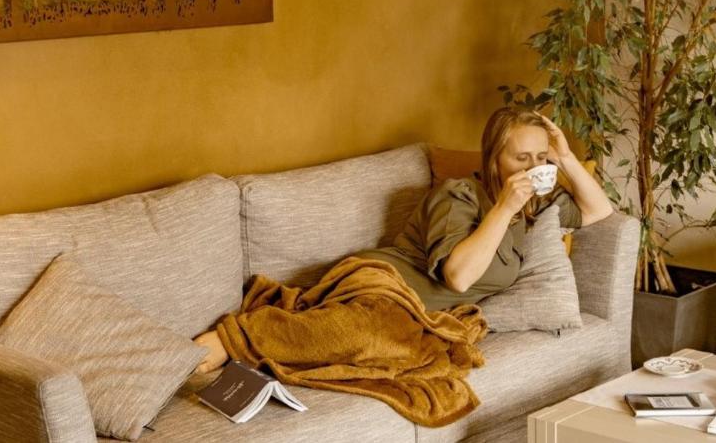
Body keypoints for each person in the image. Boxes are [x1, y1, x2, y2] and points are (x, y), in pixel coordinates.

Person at [193, 106, 614, 372]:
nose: (533, 167)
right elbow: (459, 278)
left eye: (540, 158)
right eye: (521, 157)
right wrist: (503, 208)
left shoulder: (533, 206)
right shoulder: (461, 195)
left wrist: (565, 157)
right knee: (363, 333)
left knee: (380, 346)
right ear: (493, 159)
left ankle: (278, 339)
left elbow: (601, 212)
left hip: (413, 311)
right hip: (380, 279)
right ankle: (234, 340)